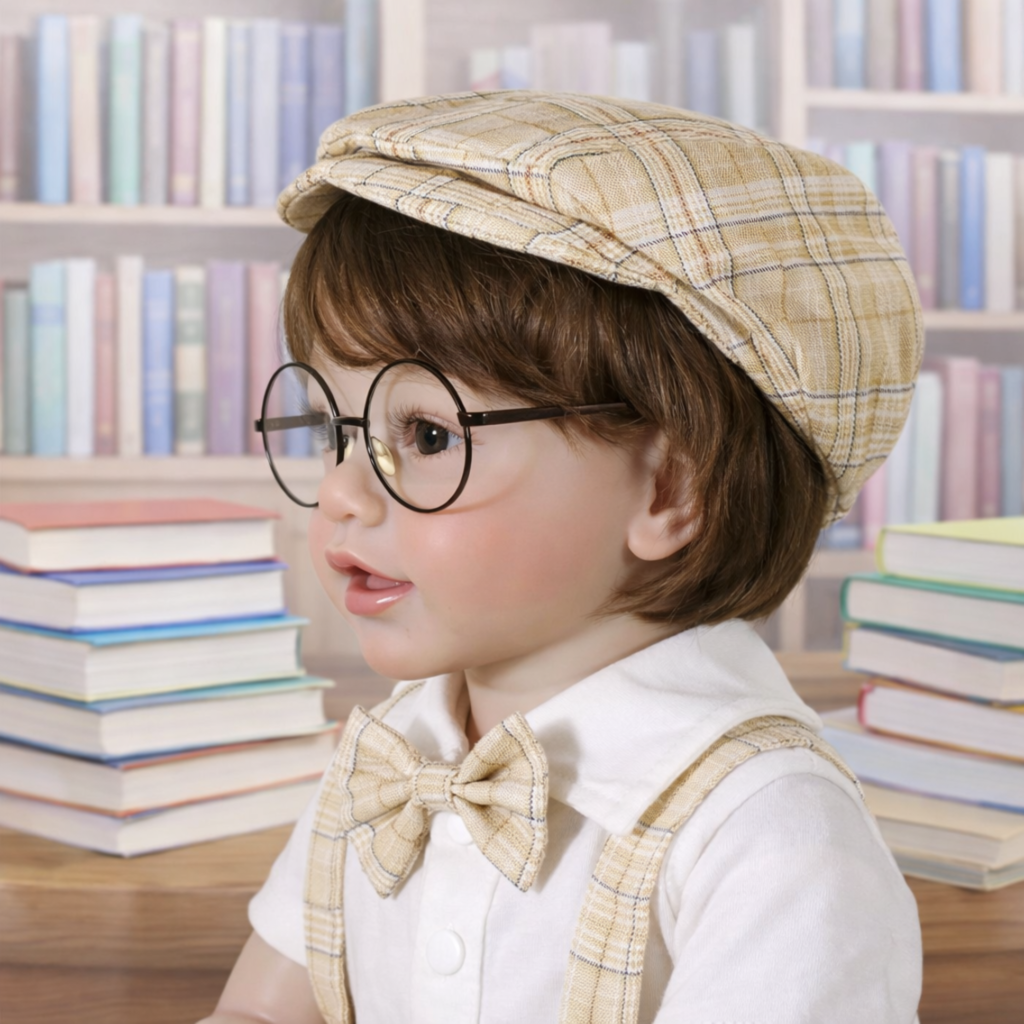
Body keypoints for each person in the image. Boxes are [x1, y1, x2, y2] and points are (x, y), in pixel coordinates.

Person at [199, 92, 923, 1024]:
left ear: (671, 492)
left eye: (423, 433)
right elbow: (261, 1009)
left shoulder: (764, 837)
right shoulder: (393, 756)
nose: (342, 490)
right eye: (333, 430)